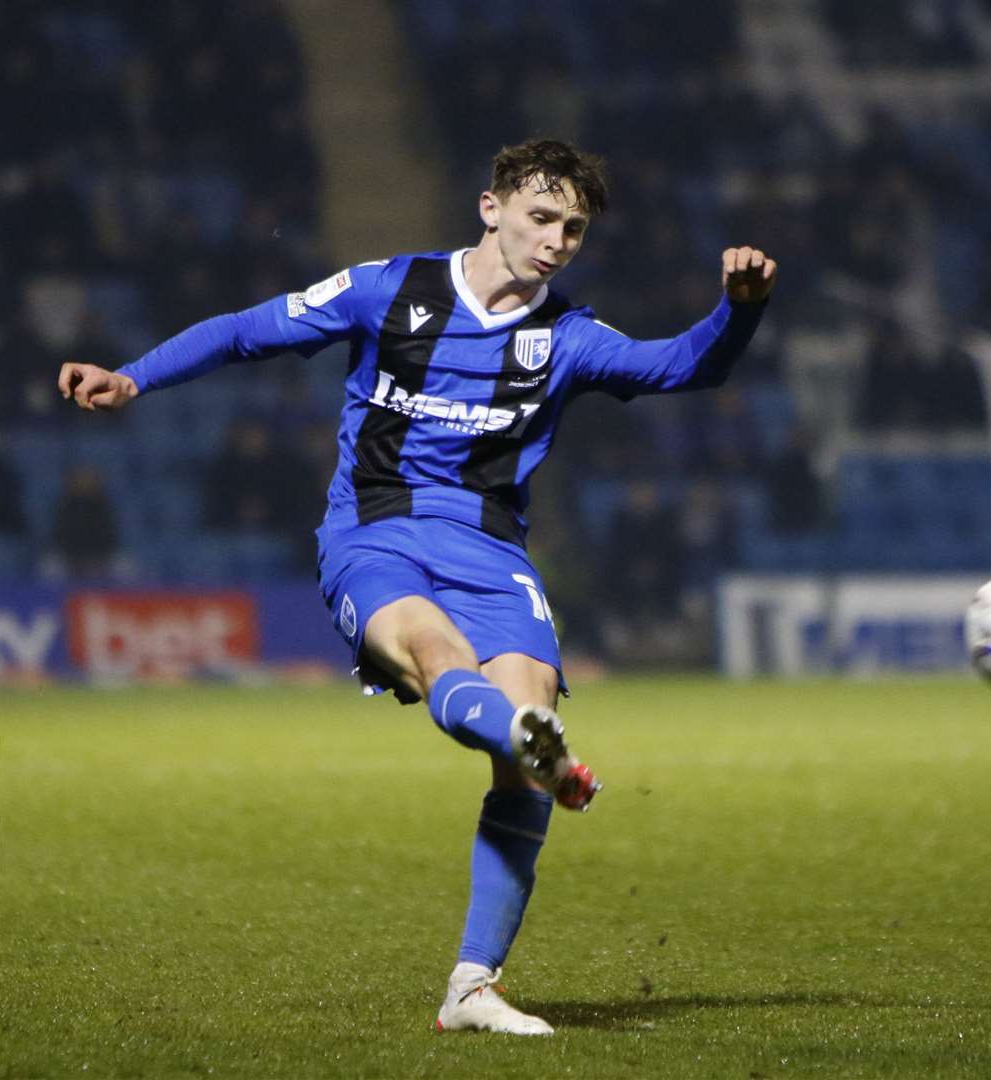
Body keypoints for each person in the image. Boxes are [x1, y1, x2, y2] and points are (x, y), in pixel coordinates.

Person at [58, 138, 777, 1035]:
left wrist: (737, 310)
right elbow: (248, 329)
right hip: (374, 532)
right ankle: (524, 740)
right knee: (437, 652)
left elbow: (685, 366)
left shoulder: (569, 339)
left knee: (525, 744)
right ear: (491, 208)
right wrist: (133, 377)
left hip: (491, 550)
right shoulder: (386, 288)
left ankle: (472, 986)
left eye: (573, 228)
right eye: (540, 217)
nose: (555, 240)